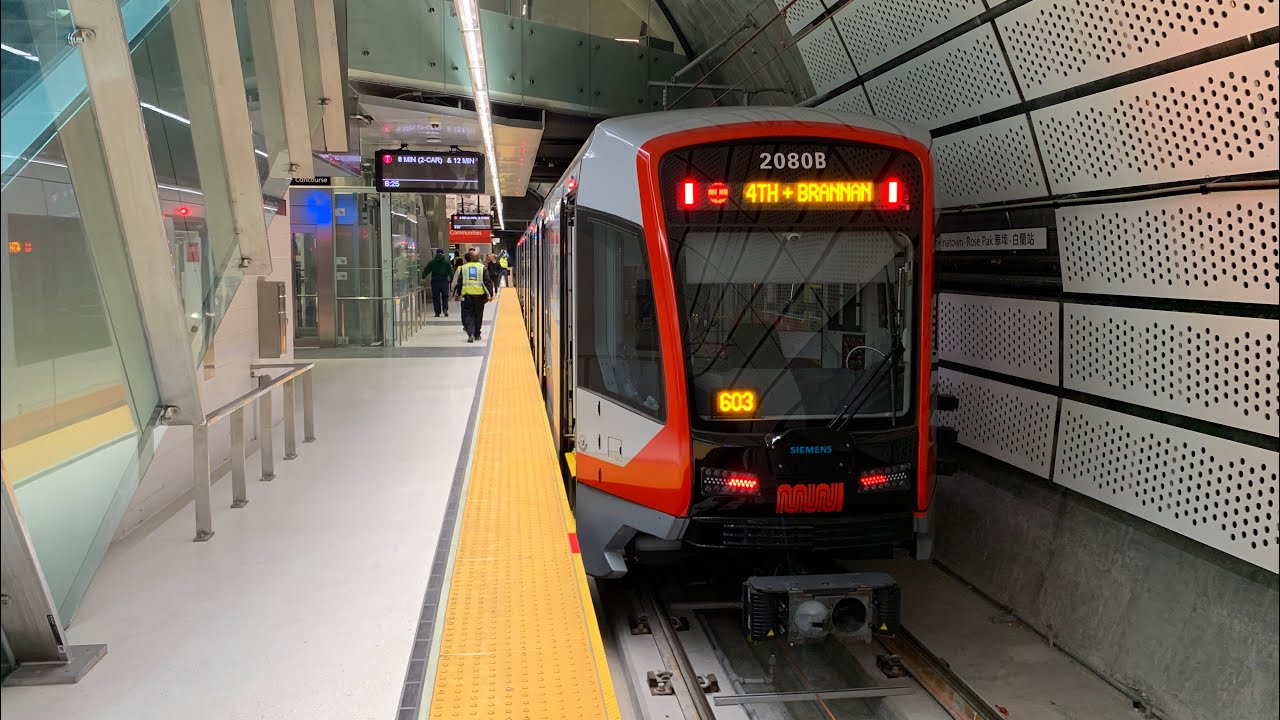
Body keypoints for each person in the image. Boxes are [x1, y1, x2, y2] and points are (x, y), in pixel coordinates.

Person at [452, 250, 494, 342]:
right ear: (478, 258)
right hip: (480, 296)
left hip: (467, 295)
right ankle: (477, 334)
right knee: (478, 315)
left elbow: (460, 282)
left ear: (469, 257)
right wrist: (490, 294)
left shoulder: (464, 268)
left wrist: (458, 293)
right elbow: (488, 282)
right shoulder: (482, 268)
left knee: (468, 314)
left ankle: (470, 333)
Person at [422, 248, 454, 317]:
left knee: (436, 297)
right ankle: (445, 308)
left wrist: (423, 277)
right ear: (443, 254)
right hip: (444, 281)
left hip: (435, 281)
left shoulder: (432, 262)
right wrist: (452, 279)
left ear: (436, 254)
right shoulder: (447, 262)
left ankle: (437, 312)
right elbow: (451, 272)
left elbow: (426, 270)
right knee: (445, 296)